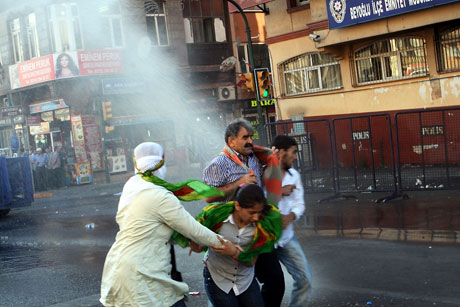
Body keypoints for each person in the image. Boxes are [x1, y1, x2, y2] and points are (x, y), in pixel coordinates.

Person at [100, 142, 235, 307]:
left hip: (118, 267)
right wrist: (225, 244)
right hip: (143, 274)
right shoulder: (159, 195)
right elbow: (193, 230)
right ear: (160, 166)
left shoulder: (132, 186)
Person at [203, 118, 285, 307]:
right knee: (232, 284)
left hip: (257, 228)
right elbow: (208, 197)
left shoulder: (253, 157)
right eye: (244, 137)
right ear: (231, 141)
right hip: (232, 232)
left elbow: (260, 184)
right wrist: (239, 183)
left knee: (275, 281)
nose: (250, 141)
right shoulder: (219, 163)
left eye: (251, 137)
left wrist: (272, 164)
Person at [195, 184, 269, 307]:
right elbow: (197, 246)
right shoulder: (218, 219)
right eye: (251, 213)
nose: (256, 217)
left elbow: (251, 261)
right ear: (237, 206)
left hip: (246, 280)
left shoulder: (261, 225)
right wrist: (199, 242)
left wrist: (233, 252)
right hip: (218, 278)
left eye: (258, 212)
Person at [271, 135, 312, 307]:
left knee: (305, 280)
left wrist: (291, 216)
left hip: (287, 238)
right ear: (281, 152)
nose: (295, 157)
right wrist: (280, 190)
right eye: (293, 152)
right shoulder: (263, 172)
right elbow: (255, 201)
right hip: (264, 241)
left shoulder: (294, 175)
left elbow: (299, 203)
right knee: (272, 287)